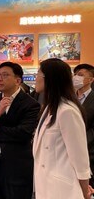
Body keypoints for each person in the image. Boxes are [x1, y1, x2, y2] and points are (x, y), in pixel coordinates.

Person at [0, 62, 40, 199]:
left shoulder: (31, 104)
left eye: (5, 75)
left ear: (18, 80)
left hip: (17, 163)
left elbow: (23, 133)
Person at [33, 58, 92, 199]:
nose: (36, 78)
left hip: (62, 188)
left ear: (49, 78)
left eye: (38, 73)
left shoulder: (67, 111)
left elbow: (80, 158)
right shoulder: (49, 107)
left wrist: (84, 190)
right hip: (45, 183)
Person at [73, 63, 94, 187]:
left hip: (88, 151)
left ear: (91, 79)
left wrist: (79, 141)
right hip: (68, 154)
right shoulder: (69, 98)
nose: (76, 77)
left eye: (80, 75)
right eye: (75, 74)